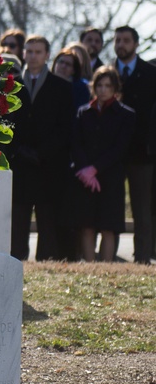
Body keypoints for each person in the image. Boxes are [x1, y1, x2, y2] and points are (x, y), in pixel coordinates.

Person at [9, 35, 75, 261]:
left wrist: (43, 152)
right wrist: (19, 150)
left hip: (49, 165)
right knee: (18, 221)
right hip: (20, 164)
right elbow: (7, 123)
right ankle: (16, 262)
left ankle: (47, 263)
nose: (33, 56)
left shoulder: (62, 87)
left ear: (47, 55)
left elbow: (65, 128)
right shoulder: (11, 85)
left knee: (48, 221)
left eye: (38, 52)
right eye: (29, 51)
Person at [70, 67, 135, 262]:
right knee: (87, 226)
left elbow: (120, 147)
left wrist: (95, 168)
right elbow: (76, 143)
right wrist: (85, 170)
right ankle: (91, 268)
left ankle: (106, 268)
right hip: (86, 179)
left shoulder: (126, 114)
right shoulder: (84, 112)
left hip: (111, 177)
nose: (103, 89)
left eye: (108, 85)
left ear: (115, 88)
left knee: (108, 227)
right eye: (99, 85)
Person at [112, 25, 156, 264]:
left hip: (141, 153)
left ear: (136, 44)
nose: (121, 44)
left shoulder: (150, 73)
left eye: (126, 40)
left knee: (142, 209)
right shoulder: (106, 73)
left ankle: (142, 258)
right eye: (117, 40)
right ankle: (109, 257)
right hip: (111, 153)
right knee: (110, 206)